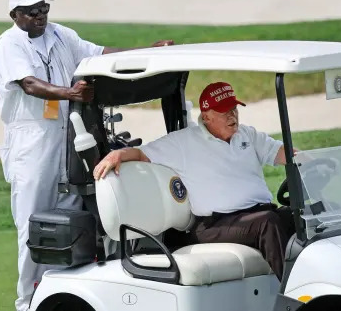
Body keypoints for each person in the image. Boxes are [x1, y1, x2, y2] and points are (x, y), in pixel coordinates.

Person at [0, 0, 173, 311]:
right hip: (31, 142)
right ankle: (26, 302)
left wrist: (149, 51)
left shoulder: (60, 34)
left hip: (67, 136)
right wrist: (70, 94)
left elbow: (99, 53)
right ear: (14, 15)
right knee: (33, 224)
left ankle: (61, 290)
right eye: (31, 11)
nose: (39, 16)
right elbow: (29, 84)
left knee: (72, 213)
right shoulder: (8, 44)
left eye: (43, 8)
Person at [93, 82, 296, 279]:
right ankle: (294, 295)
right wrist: (116, 155)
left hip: (257, 215)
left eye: (234, 109)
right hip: (214, 225)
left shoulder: (247, 135)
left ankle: (319, 289)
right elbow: (141, 154)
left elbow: (282, 153)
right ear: (206, 117)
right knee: (268, 225)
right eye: (224, 111)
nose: (232, 115)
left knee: (301, 216)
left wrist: (310, 160)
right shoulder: (183, 142)